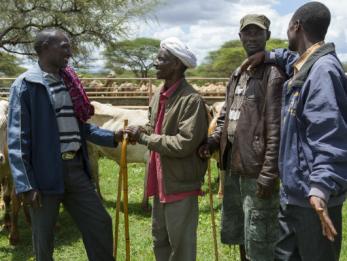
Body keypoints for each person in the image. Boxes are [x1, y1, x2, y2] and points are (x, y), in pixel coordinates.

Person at [241, 2, 347, 261]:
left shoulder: (323, 71)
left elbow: (330, 133)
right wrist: (267, 56)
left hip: (313, 200)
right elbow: (291, 58)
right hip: (294, 195)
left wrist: (320, 188)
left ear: (296, 27)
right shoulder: (307, 65)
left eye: (288, 26)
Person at [7, 29, 122, 261]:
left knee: (100, 222)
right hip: (43, 175)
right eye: (64, 46)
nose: (70, 52)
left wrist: (113, 136)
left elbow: (80, 127)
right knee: (44, 238)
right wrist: (26, 184)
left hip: (75, 170)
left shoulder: (69, 82)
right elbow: (18, 140)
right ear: (46, 47)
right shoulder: (25, 86)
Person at [198, 14, 286, 261]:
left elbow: (276, 128)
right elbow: (226, 116)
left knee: (261, 235)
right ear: (240, 37)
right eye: (247, 32)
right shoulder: (238, 74)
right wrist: (214, 141)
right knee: (241, 231)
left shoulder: (273, 74)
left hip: (256, 169)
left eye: (257, 32)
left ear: (267, 36)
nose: (252, 37)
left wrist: (269, 172)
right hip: (234, 166)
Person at [125, 37, 208, 261]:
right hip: (160, 181)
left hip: (179, 184)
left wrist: (143, 137)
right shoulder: (158, 95)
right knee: (159, 241)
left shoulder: (191, 100)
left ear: (177, 64)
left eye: (161, 59)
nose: (155, 62)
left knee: (181, 248)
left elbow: (183, 144)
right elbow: (155, 126)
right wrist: (141, 129)